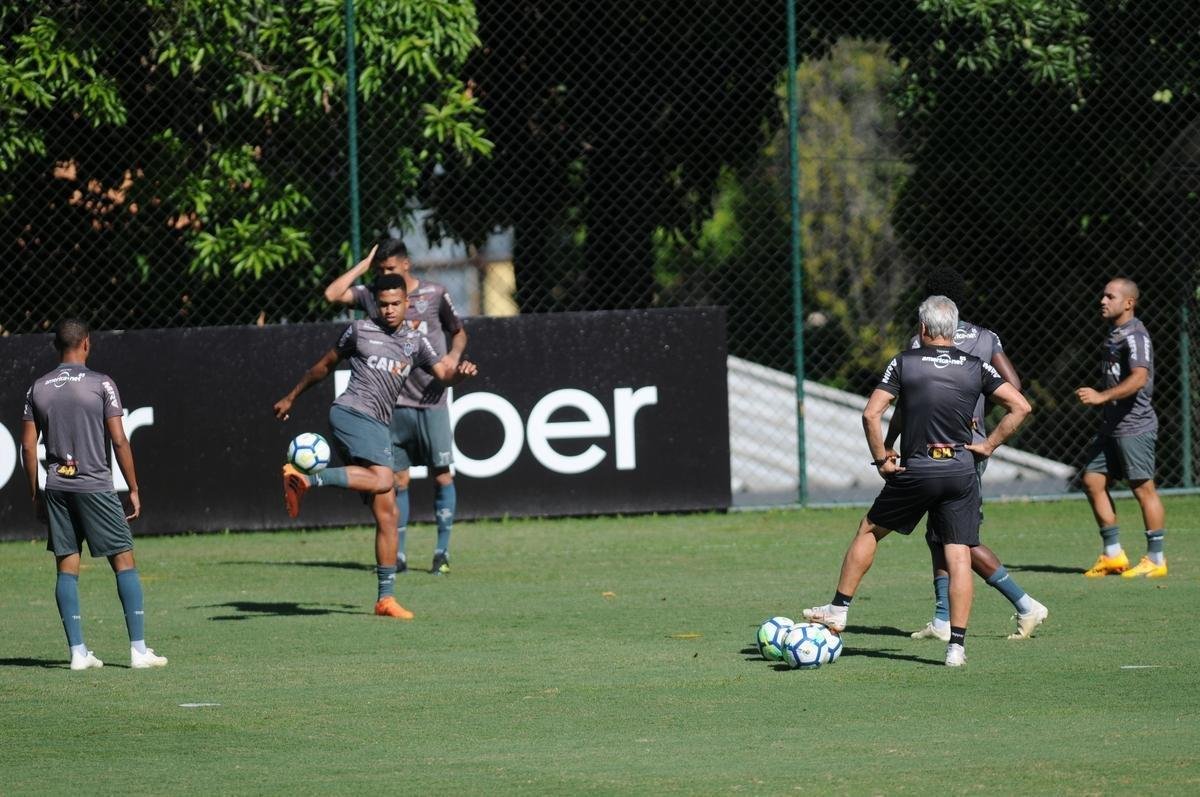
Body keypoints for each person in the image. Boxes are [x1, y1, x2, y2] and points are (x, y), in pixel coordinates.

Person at [803, 295, 1031, 666]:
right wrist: (988, 445)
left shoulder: (904, 362)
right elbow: (1021, 405)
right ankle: (956, 646)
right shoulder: (975, 366)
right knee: (958, 552)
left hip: (917, 470)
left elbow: (870, 414)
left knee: (869, 530)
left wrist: (882, 458)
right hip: (959, 471)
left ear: (923, 329)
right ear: (953, 330)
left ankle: (839, 609)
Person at [274, 274, 476, 620]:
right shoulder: (359, 331)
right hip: (350, 413)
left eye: (395, 303)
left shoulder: (415, 342)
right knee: (386, 480)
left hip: (379, 426)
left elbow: (442, 373)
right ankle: (307, 479)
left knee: (388, 513)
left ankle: (386, 599)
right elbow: (324, 366)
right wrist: (292, 396)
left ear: (406, 303)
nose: (389, 310)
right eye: (383, 304)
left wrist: (460, 374)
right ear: (376, 304)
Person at [886, 268, 1048, 642]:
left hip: (933, 446)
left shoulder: (921, 341)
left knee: (958, 537)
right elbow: (1014, 388)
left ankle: (1025, 603)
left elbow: (908, 400)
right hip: (972, 444)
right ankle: (942, 619)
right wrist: (978, 421)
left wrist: (891, 440)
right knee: (939, 533)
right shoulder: (986, 337)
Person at [21, 319, 168, 670]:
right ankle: (138, 650)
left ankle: (77, 652)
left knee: (66, 568)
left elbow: (28, 447)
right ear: (86, 343)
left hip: (57, 487)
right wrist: (133, 487)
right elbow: (118, 439)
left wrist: (35, 494)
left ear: (57, 346)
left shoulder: (37, 387)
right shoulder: (101, 383)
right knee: (124, 562)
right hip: (95, 486)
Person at [325, 239, 467, 576]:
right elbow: (332, 294)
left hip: (432, 397)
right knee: (397, 480)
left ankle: (441, 553)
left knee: (442, 474)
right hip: (393, 404)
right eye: (380, 270)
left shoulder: (434, 293)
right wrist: (364, 263)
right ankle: (399, 556)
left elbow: (458, 332)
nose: (384, 275)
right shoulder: (377, 294)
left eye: (390, 269)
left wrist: (453, 357)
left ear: (406, 264)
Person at [1075, 277, 1167, 578]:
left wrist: (1102, 396)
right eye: (1103, 295)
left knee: (1143, 488)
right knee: (1092, 480)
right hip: (1111, 426)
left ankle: (1156, 558)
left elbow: (1140, 378)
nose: (1103, 301)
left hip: (1134, 425)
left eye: (1110, 296)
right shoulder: (1115, 333)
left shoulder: (1136, 335)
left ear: (1129, 303)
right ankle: (1113, 555)